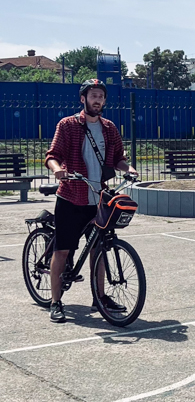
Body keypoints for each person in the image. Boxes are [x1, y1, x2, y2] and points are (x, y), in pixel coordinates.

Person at [44, 79, 138, 323]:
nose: (97, 100)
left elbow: (118, 158)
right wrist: (57, 170)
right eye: (93, 95)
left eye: (101, 96)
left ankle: (99, 297)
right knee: (63, 250)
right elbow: (53, 155)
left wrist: (129, 168)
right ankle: (56, 301)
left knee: (99, 249)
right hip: (71, 196)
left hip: (99, 198)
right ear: (83, 99)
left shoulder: (109, 128)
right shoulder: (67, 125)